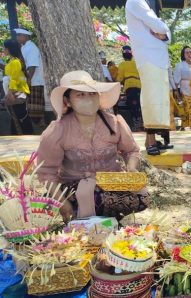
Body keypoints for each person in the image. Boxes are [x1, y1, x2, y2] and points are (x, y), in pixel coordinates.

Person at [36, 71, 149, 222]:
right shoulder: (58, 130)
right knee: (99, 197)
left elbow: (131, 151)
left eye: (92, 94)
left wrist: (132, 168)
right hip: (73, 187)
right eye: (80, 95)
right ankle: (89, 215)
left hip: (110, 181)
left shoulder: (114, 123)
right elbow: (46, 172)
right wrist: (62, 203)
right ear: (67, 101)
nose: (88, 99)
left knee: (143, 197)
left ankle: (103, 218)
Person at [125, 0, 173, 155]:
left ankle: (150, 140)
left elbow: (167, 34)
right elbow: (161, 27)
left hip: (157, 58)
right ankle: (151, 140)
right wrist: (162, 30)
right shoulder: (135, 1)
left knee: (159, 100)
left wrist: (163, 32)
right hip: (149, 57)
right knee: (151, 99)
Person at [14, 28, 45, 129]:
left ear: (26, 36)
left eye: (19, 35)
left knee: (36, 110)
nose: (17, 37)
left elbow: (32, 66)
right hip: (30, 81)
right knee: (31, 109)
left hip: (35, 81)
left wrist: (28, 81)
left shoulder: (31, 48)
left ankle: (42, 131)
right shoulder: (24, 47)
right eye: (17, 35)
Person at [2, 39, 34, 135]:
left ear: (9, 49)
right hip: (16, 92)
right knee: (16, 116)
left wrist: (10, 93)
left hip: (17, 92)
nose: (3, 49)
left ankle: (26, 137)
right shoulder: (13, 60)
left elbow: (15, 79)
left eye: (4, 47)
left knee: (20, 116)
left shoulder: (16, 62)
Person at [116, 45, 143, 131]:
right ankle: (142, 124)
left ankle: (137, 126)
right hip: (139, 85)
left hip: (130, 86)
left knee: (133, 106)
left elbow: (119, 78)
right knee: (140, 105)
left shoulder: (122, 64)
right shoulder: (137, 63)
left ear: (123, 55)